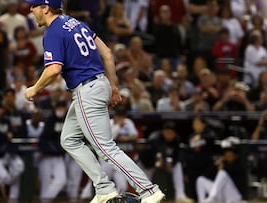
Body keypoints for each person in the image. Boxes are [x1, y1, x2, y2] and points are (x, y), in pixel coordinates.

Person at [24, 1, 165, 203]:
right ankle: (104, 188)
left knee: (105, 147)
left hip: (87, 90)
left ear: (46, 8)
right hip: (98, 84)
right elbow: (107, 53)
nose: (31, 9)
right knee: (69, 139)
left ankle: (148, 190)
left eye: (35, 6)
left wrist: (34, 88)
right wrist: (113, 86)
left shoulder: (53, 31)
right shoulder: (76, 23)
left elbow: (54, 69)